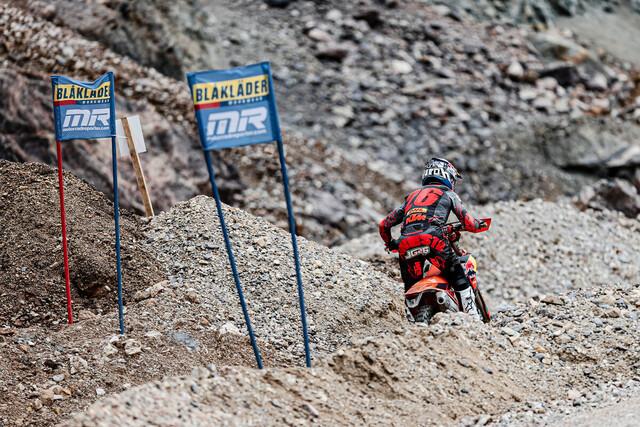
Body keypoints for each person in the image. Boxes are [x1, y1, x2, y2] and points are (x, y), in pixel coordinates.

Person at [378, 157, 487, 319]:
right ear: (447, 176)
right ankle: (473, 320)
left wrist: (391, 243)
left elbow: (384, 225)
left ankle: (410, 325)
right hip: (434, 240)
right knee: (459, 278)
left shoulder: (411, 197)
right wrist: (480, 225)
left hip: (405, 244)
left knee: (411, 290)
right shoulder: (448, 193)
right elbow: (470, 223)